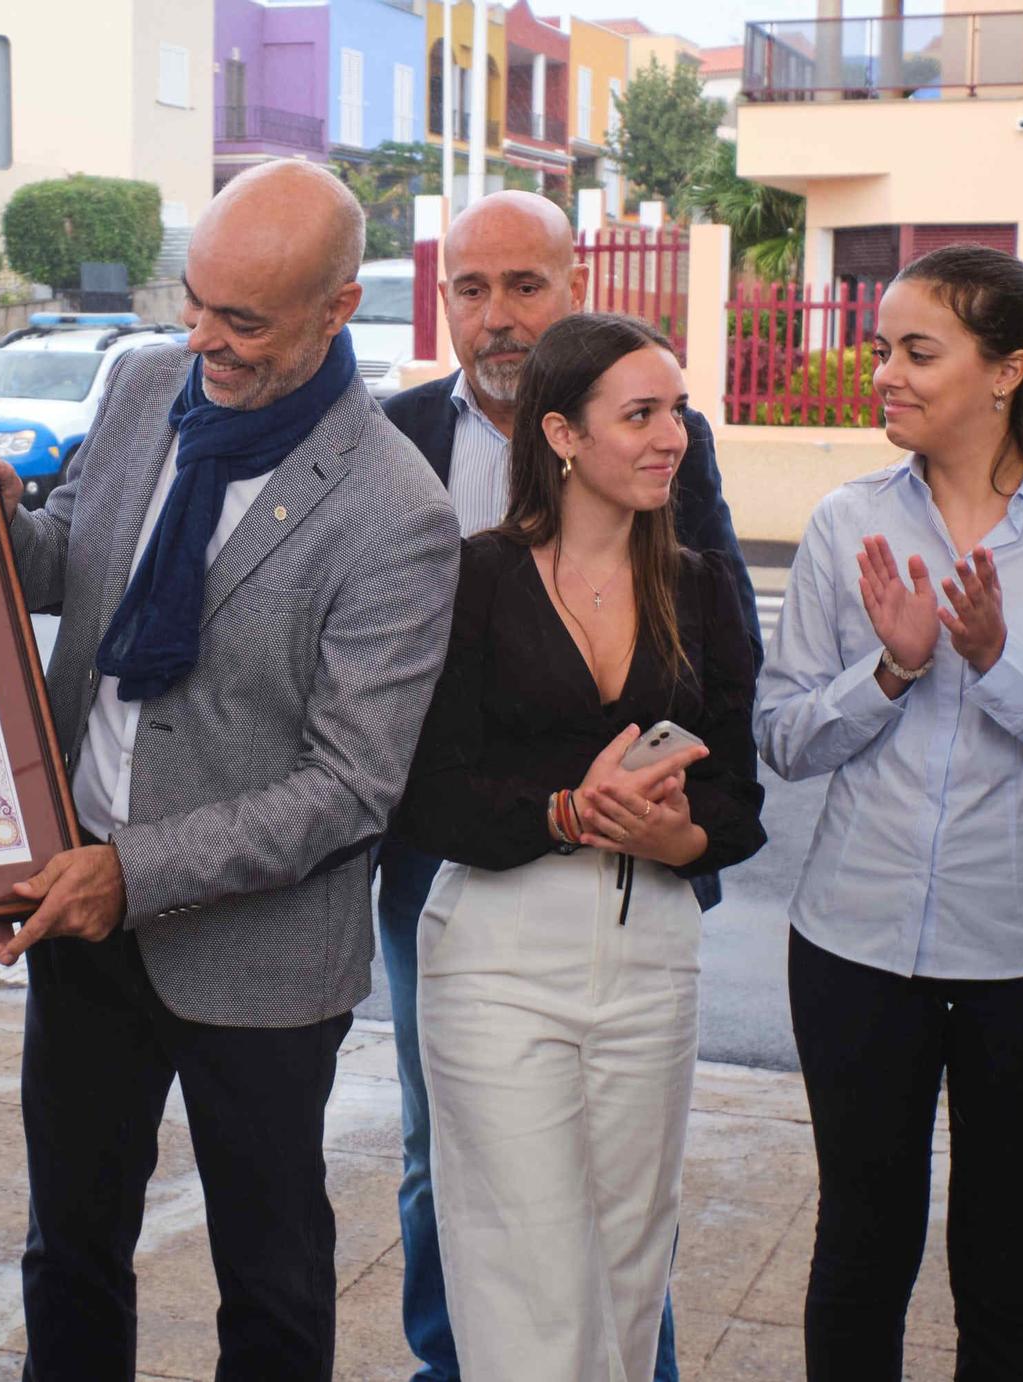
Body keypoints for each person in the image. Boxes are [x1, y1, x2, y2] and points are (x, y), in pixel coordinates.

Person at [0, 160, 459, 1380]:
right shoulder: (143, 384)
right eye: (193, 300)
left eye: (241, 320)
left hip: (257, 957)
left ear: (337, 309)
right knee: (69, 1247)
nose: (203, 339)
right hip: (86, 917)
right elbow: (67, 566)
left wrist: (128, 874)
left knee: (271, 1278)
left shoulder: (396, 508)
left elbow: (350, 786)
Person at [376, 190, 758, 1382]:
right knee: (461, 1168)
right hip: (455, 887)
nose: (495, 316)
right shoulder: (397, 452)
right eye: (469, 290)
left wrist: (674, 828)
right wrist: (557, 811)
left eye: (523, 288)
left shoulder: (671, 505)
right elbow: (410, 747)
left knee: (621, 1223)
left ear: (569, 284)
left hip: (640, 928)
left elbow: (726, 735)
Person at [754, 244, 1023, 1381]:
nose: (884, 375)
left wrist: (991, 663)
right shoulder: (844, 522)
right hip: (852, 946)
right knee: (858, 1251)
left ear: (1007, 368)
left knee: (1008, 1268)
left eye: (918, 351)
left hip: (1015, 955)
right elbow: (779, 735)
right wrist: (890, 670)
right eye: (880, 350)